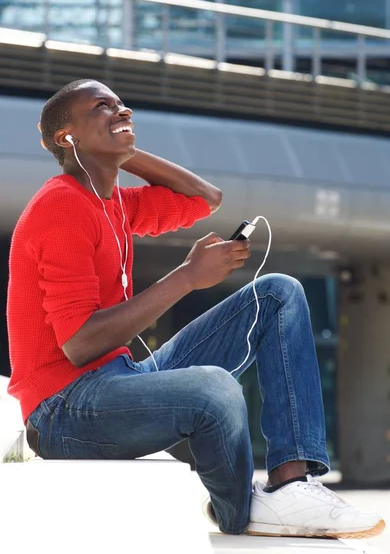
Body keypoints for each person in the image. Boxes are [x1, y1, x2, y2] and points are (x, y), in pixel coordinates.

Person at [7, 79, 384, 539]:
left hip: (117, 381)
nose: (122, 111)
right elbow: (81, 344)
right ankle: (240, 510)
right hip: (63, 411)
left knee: (277, 293)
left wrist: (116, 150)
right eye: (103, 108)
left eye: (123, 105)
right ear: (69, 136)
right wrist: (187, 276)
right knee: (212, 388)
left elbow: (205, 198)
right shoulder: (61, 207)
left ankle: (290, 482)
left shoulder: (114, 203)